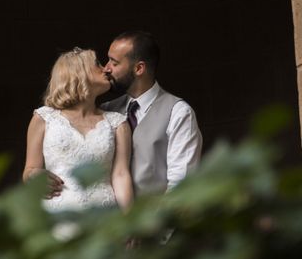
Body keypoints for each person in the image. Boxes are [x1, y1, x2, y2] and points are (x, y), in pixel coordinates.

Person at [23, 47, 134, 212]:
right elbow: (29, 171)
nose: (106, 69)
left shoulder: (117, 123)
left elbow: (120, 175)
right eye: (97, 63)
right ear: (77, 71)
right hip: (57, 217)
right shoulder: (44, 118)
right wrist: (35, 176)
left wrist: (130, 220)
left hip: (104, 217)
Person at [101, 31, 202, 196]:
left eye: (115, 62)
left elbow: (181, 186)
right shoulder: (106, 110)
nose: (106, 68)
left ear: (139, 68)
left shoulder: (179, 113)